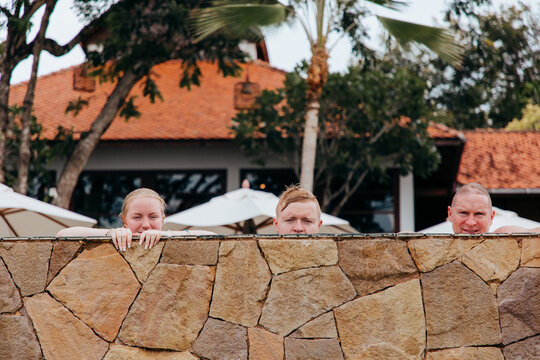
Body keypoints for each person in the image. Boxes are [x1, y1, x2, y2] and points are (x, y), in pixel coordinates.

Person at [56, 188, 215, 251]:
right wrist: (111, 232)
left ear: (163, 219)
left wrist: (168, 235)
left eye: (153, 217)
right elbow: (62, 235)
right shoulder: (113, 240)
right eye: (137, 217)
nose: (146, 225)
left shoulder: (173, 240)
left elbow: (215, 238)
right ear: (125, 220)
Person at [448, 183, 540, 233]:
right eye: (463, 213)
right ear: (450, 214)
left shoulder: (502, 238)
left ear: (491, 217)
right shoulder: (436, 247)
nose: (471, 222)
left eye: (479, 214)